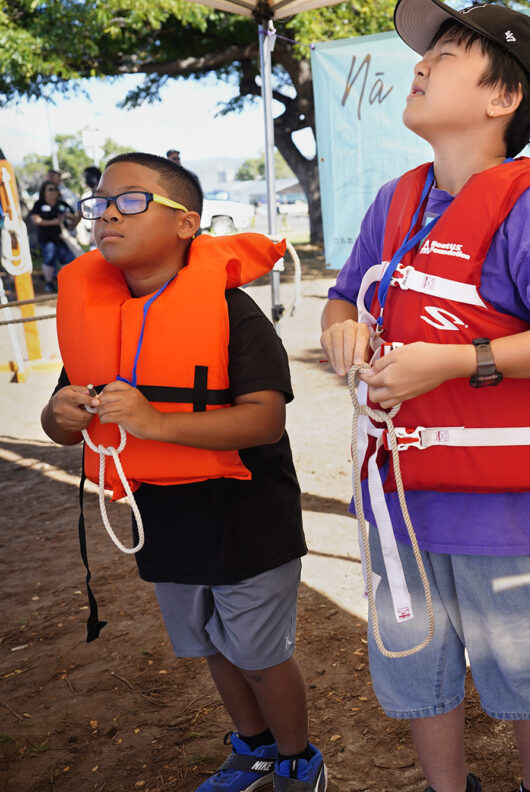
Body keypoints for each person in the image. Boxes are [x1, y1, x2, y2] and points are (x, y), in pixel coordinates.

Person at [319, 2, 530, 791]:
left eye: (447, 54)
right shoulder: (394, 201)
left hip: (501, 503)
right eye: (425, 55)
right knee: (414, 654)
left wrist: (454, 362)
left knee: (521, 657)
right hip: (397, 496)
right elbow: (344, 295)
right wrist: (342, 327)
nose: (420, 65)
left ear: (503, 98)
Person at [39, 152, 327, 792]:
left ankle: (297, 756)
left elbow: (263, 421)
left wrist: (157, 424)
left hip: (246, 518)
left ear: (186, 224)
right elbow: (60, 428)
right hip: (162, 516)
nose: (108, 211)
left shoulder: (233, 312)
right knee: (208, 644)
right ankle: (252, 748)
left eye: (133, 200)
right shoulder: (96, 317)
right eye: (100, 202)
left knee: (258, 652)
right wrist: (59, 415)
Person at [29, 180, 78, 291]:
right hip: (46, 238)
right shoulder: (39, 204)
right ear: (44, 191)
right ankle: (49, 283)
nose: (53, 192)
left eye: (55, 189)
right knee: (49, 259)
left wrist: (71, 219)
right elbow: (35, 219)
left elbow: (74, 216)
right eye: (50, 189)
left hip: (61, 237)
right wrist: (53, 222)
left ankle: (69, 282)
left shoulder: (61, 204)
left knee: (67, 259)